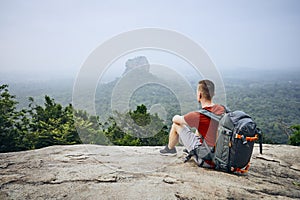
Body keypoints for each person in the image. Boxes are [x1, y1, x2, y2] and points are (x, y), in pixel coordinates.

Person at [160, 80, 224, 164]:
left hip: (206, 156)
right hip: (219, 154)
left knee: (176, 125)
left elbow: (175, 120)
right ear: (213, 94)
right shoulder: (222, 109)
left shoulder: (198, 116)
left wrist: (176, 116)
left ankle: (170, 149)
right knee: (200, 128)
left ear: (199, 95)